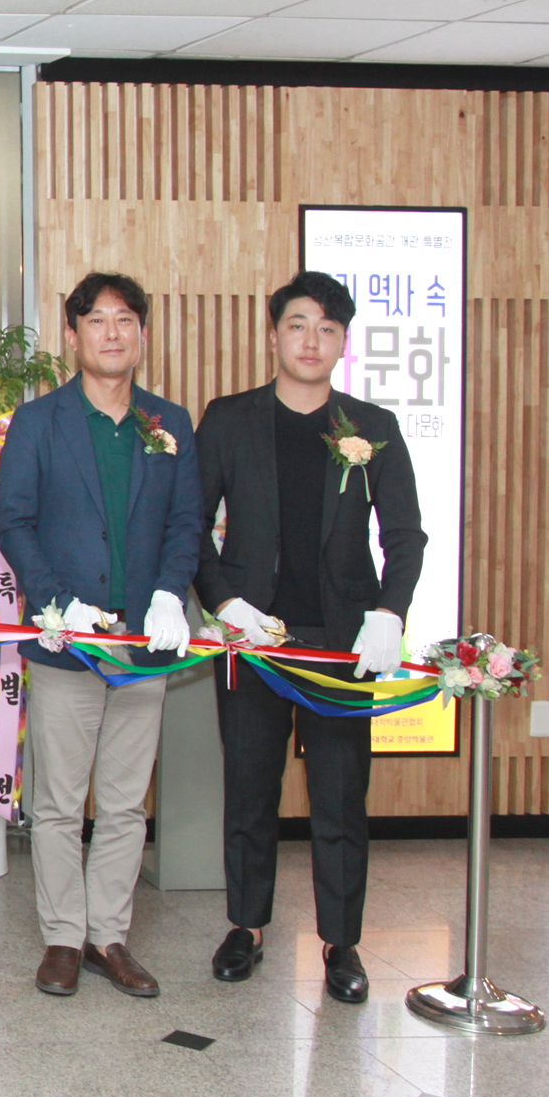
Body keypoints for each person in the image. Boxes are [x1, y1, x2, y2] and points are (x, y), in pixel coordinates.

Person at [194, 271, 424, 1004]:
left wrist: (389, 612)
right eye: (298, 325)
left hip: (340, 643)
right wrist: (225, 602)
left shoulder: (372, 425)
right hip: (254, 637)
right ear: (273, 335)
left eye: (327, 329)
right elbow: (189, 526)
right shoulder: (229, 419)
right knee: (249, 790)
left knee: (341, 796)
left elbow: (407, 536)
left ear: (343, 344)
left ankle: (341, 941)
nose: (311, 340)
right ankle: (246, 926)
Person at [0, 271, 200, 1000]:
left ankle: (108, 936)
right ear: (73, 333)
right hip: (66, 642)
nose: (112, 333)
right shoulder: (39, 421)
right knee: (58, 801)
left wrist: (170, 595)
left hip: (143, 645)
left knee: (123, 803)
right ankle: (61, 935)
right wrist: (59, 603)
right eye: (97, 320)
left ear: (141, 333)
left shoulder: (168, 421)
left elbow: (186, 522)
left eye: (125, 320)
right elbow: (14, 521)